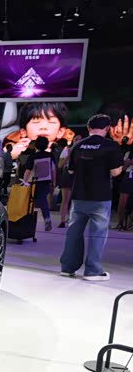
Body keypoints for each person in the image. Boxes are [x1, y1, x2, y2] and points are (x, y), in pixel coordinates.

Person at [60, 115, 125, 281]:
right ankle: (92, 270)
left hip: (79, 195)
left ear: (89, 128)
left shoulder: (78, 145)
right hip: (100, 196)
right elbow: (115, 172)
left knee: (74, 232)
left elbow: (71, 170)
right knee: (98, 234)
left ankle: (67, 267)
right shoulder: (111, 146)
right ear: (107, 128)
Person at [4, 102, 75, 159]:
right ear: (24, 132)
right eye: (36, 122)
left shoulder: (67, 141)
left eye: (51, 122)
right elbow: (6, 154)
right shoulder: (14, 140)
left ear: (60, 132)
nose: (43, 127)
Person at [23, 136, 57, 231]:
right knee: (43, 200)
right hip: (46, 181)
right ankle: (47, 218)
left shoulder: (33, 156)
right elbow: (53, 170)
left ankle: (27, 221)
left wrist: (24, 182)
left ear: (36, 145)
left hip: (34, 182)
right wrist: (54, 182)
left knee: (30, 202)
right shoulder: (50, 155)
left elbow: (28, 171)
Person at [116, 148, 133, 230]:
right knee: (123, 199)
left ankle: (130, 223)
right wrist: (128, 163)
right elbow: (123, 168)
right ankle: (120, 222)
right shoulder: (129, 153)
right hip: (129, 176)